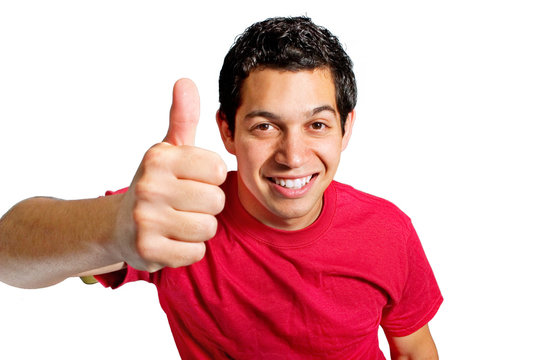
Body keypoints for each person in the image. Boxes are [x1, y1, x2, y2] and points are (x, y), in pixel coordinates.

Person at [0, 16, 442, 359]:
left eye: (317, 125)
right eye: (265, 126)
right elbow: (8, 253)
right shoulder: (180, 217)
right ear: (227, 131)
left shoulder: (389, 231)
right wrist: (111, 226)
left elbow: (413, 349)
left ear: (346, 130)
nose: (293, 155)